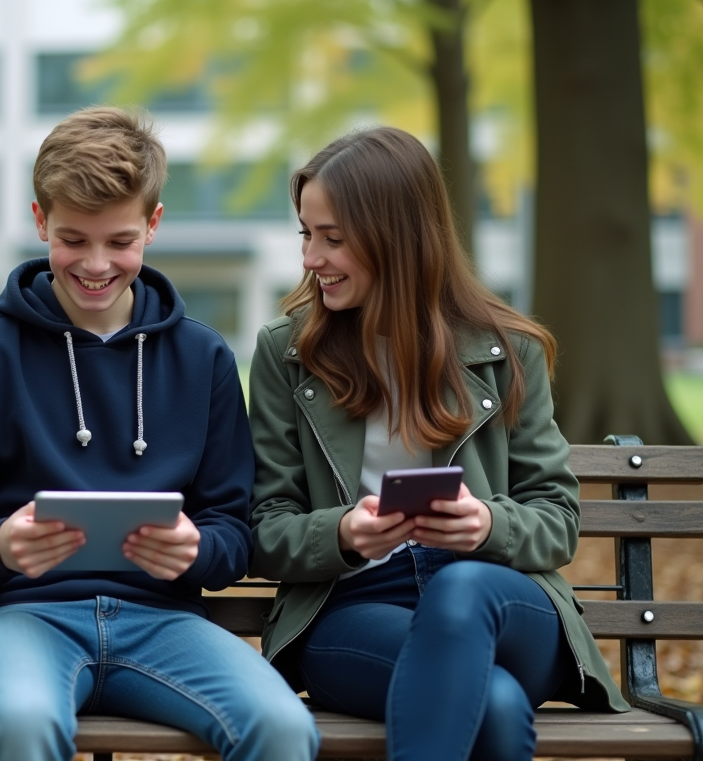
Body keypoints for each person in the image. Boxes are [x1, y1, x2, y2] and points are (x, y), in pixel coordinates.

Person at [0, 105, 319, 761]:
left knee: (282, 727)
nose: (96, 264)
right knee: (21, 722)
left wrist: (195, 550)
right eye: (73, 239)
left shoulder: (203, 359)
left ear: (153, 225)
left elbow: (233, 530)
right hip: (23, 618)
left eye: (119, 241)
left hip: (167, 622)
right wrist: (0, 546)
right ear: (40, 221)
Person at [248, 126, 628, 761]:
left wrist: (484, 525)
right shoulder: (287, 354)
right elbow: (265, 529)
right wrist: (342, 534)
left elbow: (557, 522)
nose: (311, 259)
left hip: (498, 597)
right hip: (354, 606)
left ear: (397, 239)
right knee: (498, 708)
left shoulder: (509, 351)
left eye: (333, 239)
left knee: (460, 591)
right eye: (306, 235)